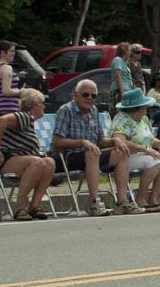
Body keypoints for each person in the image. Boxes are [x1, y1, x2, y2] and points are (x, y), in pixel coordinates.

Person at [51, 79, 132, 217]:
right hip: (68, 157)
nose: (89, 98)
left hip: (91, 154)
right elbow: (57, 142)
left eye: (93, 96)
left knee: (121, 152)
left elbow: (100, 141)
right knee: (92, 153)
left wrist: (114, 140)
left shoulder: (94, 111)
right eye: (85, 95)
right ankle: (94, 202)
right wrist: (81, 142)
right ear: (75, 95)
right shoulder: (66, 111)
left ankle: (122, 202)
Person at [0, 88, 56, 220]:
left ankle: (34, 206)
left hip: (22, 160)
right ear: (34, 105)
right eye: (42, 103)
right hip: (7, 160)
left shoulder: (30, 121)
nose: (44, 106)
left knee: (50, 162)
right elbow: (3, 120)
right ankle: (19, 207)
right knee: (36, 161)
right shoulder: (25, 117)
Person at [111, 88, 160, 212]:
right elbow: (119, 140)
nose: (146, 108)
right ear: (138, 107)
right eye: (145, 106)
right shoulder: (121, 119)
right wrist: (144, 149)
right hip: (126, 156)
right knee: (154, 160)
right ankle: (141, 198)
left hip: (144, 154)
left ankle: (153, 198)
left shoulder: (144, 119)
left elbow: (151, 139)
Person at [0, 40, 22, 118]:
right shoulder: (7, 68)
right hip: (8, 110)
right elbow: (6, 91)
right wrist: (22, 91)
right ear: (3, 53)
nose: (13, 54)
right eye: (11, 51)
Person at [110, 42, 132, 107]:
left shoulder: (123, 62)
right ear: (124, 51)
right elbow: (117, 76)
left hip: (126, 90)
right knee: (120, 111)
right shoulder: (118, 60)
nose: (130, 52)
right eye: (129, 50)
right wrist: (122, 92)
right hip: (119, 91)